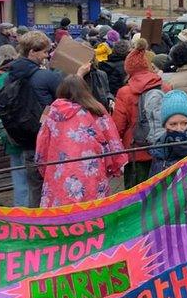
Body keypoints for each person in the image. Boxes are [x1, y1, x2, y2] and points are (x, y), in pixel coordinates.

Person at [36, 75, 126, 207]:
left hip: (59, 172)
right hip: (91, 171)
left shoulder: (50, 112)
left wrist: (44, 168)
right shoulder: (96, 109)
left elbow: (41, 145)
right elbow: (112, 138)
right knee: (93, 212)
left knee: (62, 213)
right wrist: (116, 163)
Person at [5, 31, 67, 207]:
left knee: (34, 188)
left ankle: (33, 224)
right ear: (32, 51)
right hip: (45, 140)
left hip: (22, 139)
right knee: (49, 186)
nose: (47, 56)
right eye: (45, 52)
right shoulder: (45, 76)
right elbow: (66, 100)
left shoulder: (11, 74)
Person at [113, 39, 171, 188]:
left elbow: (118, 127)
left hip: (135, 152)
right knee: (160, 191)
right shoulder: (165, 87)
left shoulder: (125, 92)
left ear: (129, 71)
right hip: (162, 148)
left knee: (136, 195)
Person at [0, 45, 29, 207]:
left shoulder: (0, 79)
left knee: (19, 177)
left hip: (10, 134)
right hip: (30, 133)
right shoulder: (31, 76)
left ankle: (21, 213)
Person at [149, 90, 187, 175]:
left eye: (184, 123)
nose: (179, 129)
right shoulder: (159, 149)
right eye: (173, 124)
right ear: (165, 125)